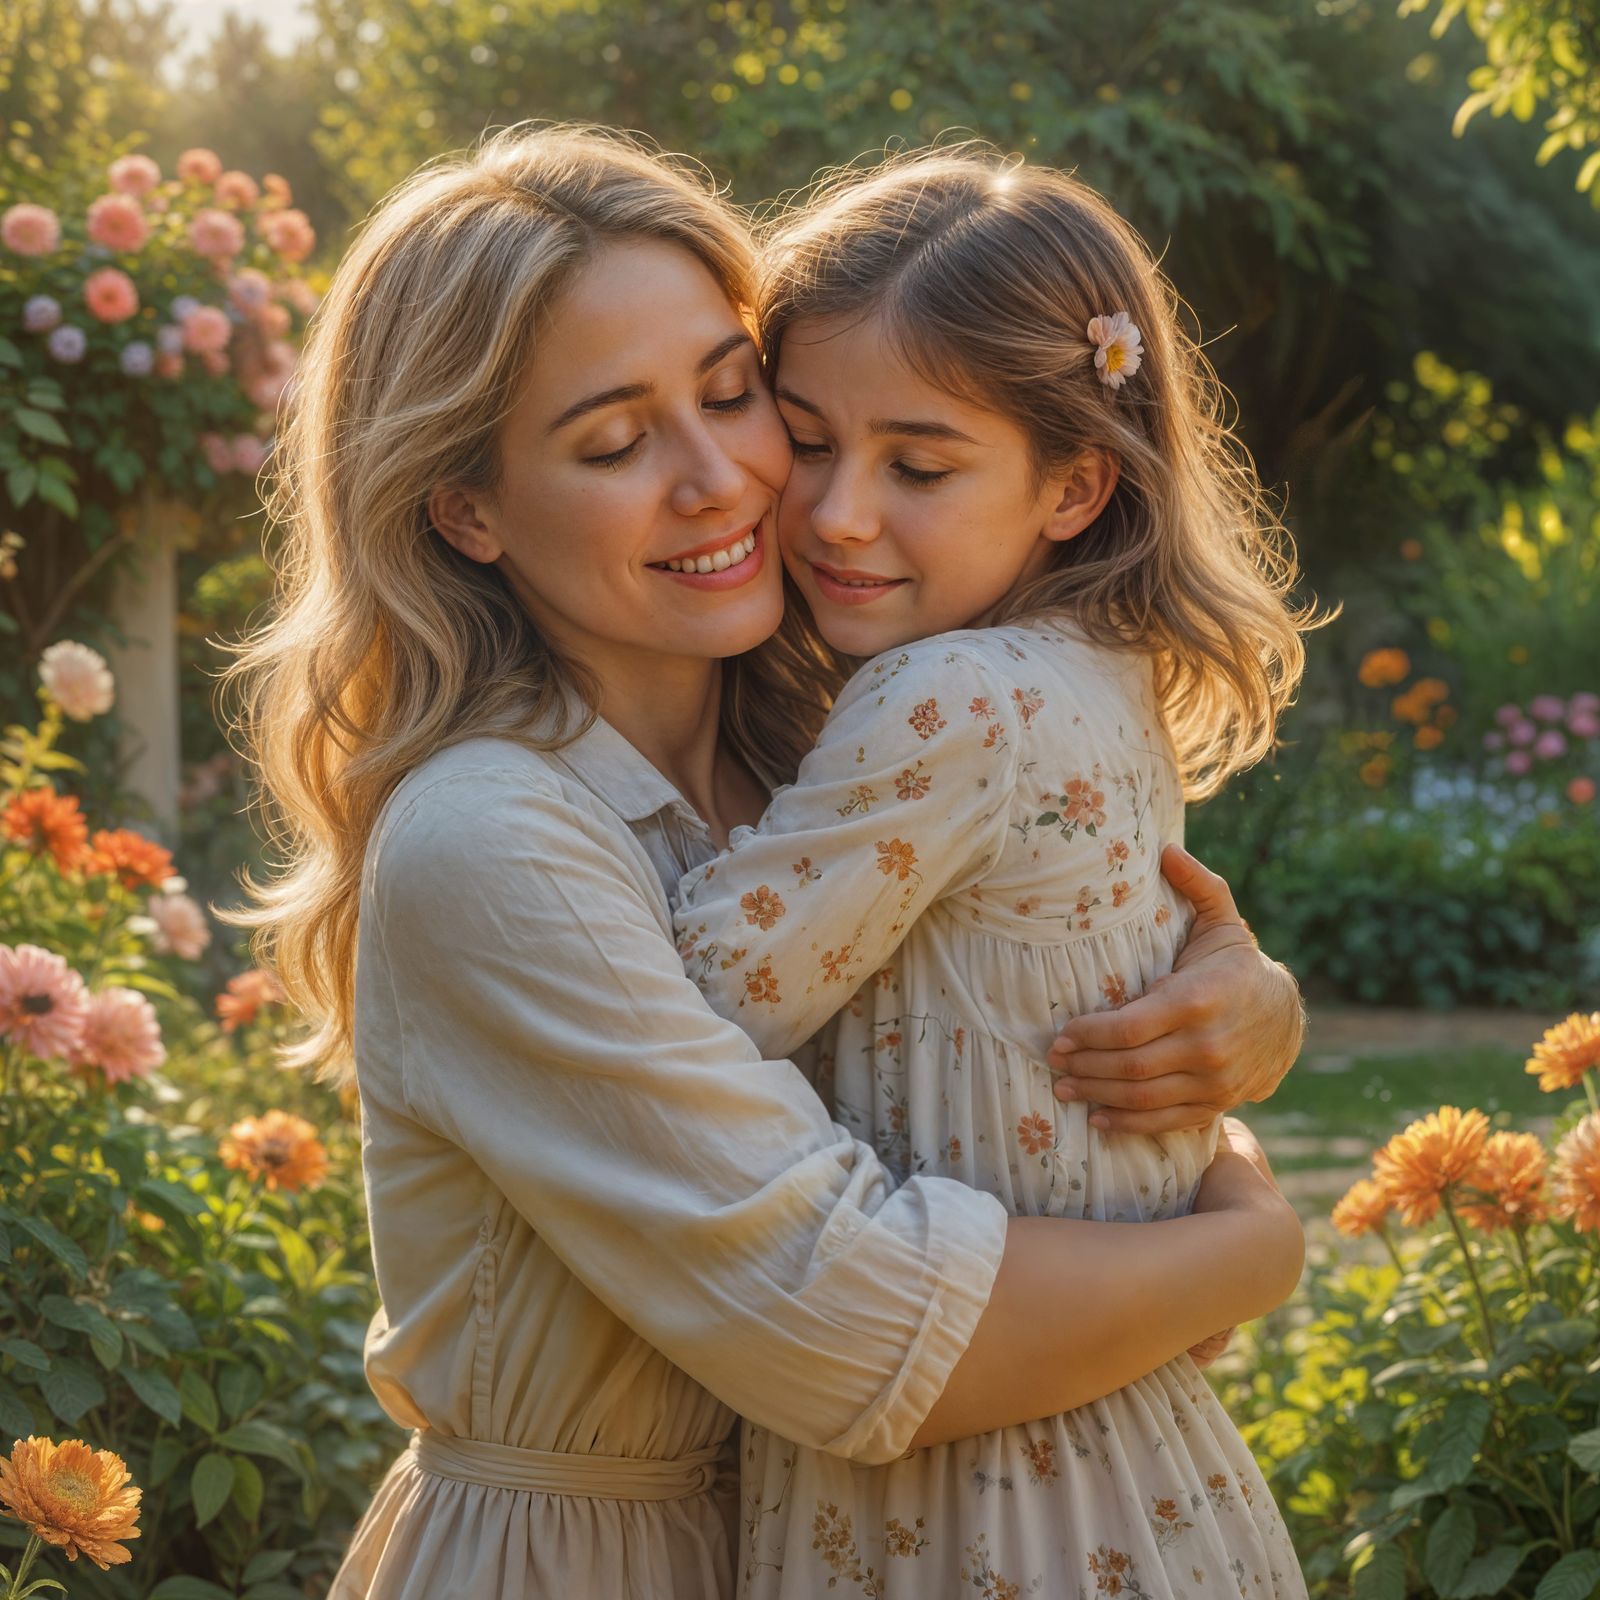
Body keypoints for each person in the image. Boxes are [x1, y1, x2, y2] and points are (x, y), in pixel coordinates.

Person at [222, 124, 1307, 1600]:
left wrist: (1229, 1022)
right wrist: (1247, 1241)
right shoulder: (491, 836)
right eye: (614, 443)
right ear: (463, 507)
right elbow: (852, 1317)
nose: (727, 480)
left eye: (740, 400)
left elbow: (999, 1077)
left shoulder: (822, 748)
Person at [669, 146, 1320, 1598]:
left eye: (920, 464)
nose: (837, 511)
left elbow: (700, 1000)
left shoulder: (950, 698)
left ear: (1076, 483)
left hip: (973, 1493)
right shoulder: (1095, 674)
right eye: (807, 439)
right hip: (1126, 1466)